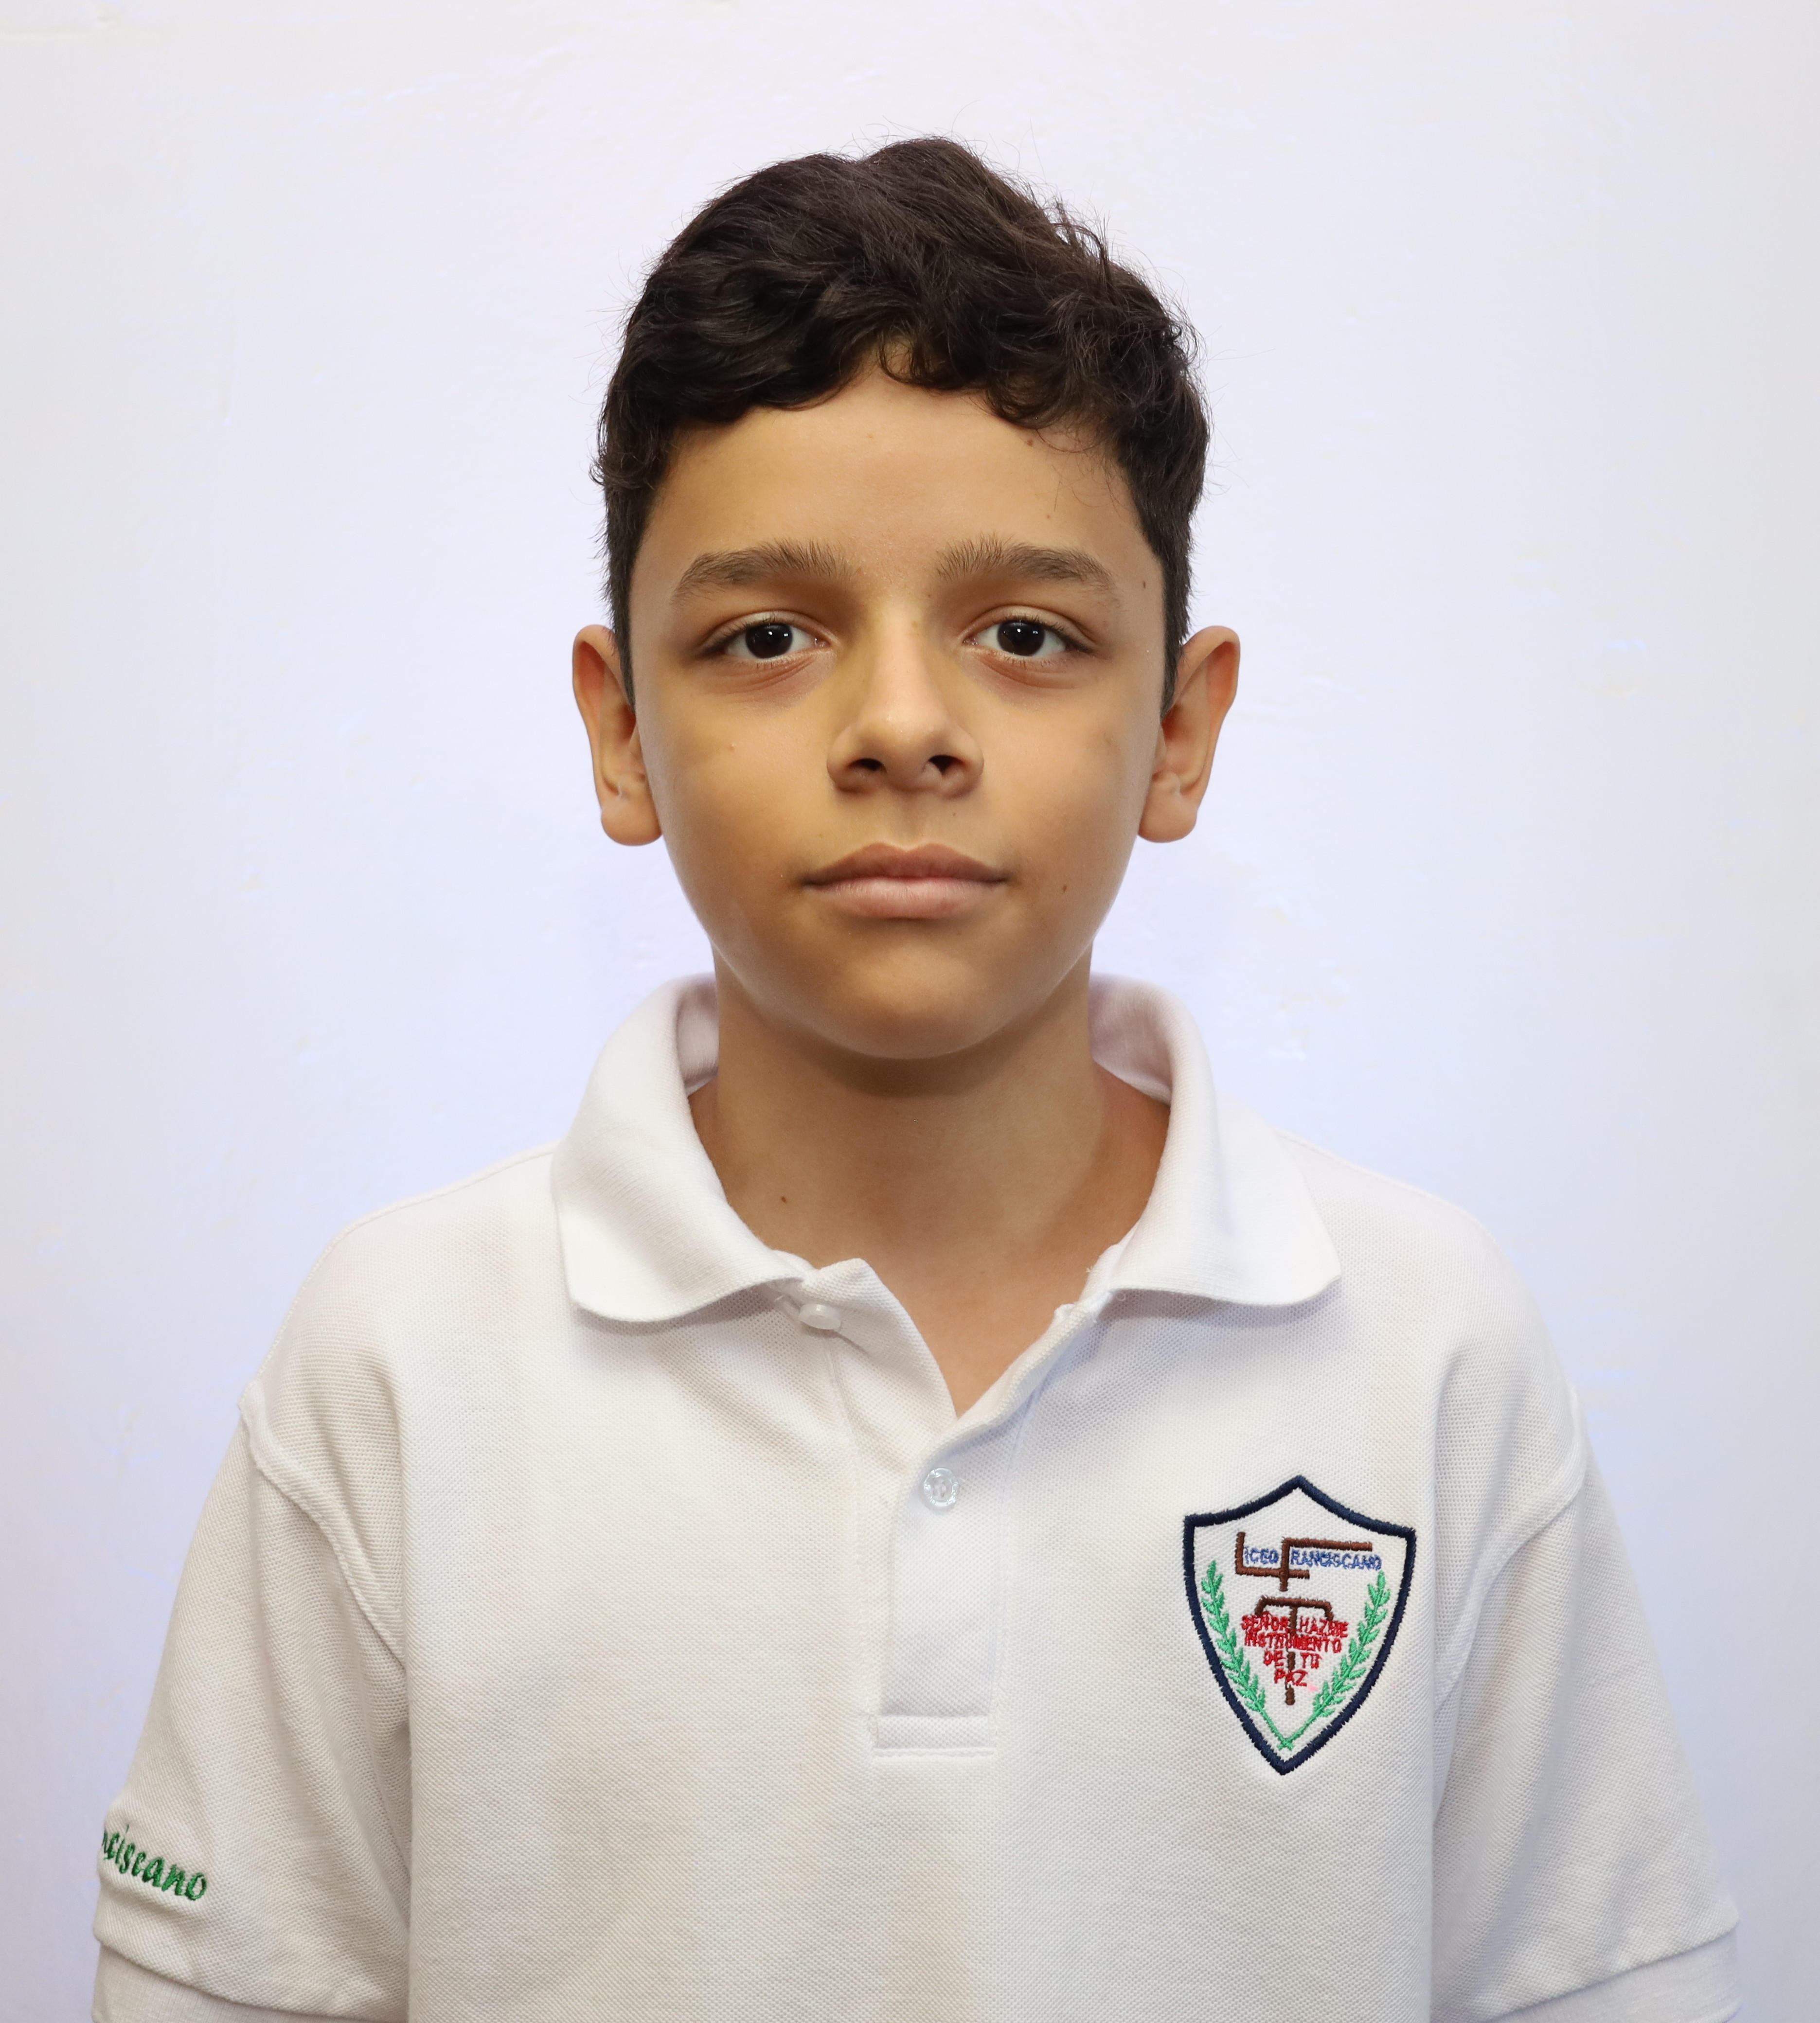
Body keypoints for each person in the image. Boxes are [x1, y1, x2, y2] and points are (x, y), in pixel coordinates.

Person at [91, 138, 1738, 2023]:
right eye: (768, 637)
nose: (898, 727)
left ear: (1179, 731)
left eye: (1026, 635)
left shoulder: (1422, 1345)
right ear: (621, 733)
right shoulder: (399, 1358)